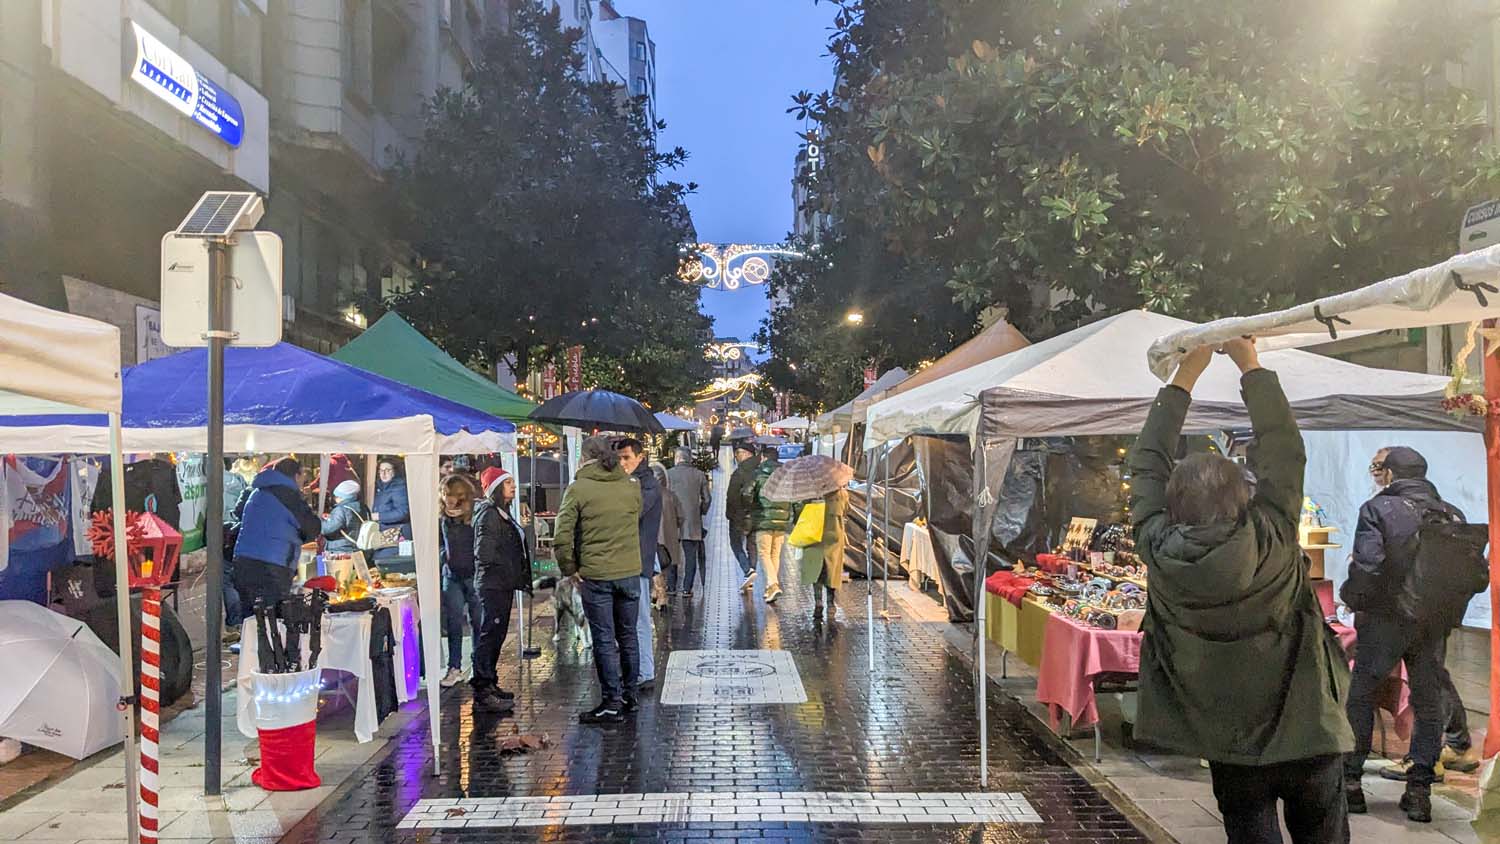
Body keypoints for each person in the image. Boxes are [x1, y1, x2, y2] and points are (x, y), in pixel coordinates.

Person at [1128, 339, 1354, 844]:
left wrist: (1182, 379)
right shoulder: (1272, 531)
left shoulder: (1159, 548)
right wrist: (1250, 365)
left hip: (1228, 738)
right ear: (1244, 495)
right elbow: (1284, 449)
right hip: (1309, 726)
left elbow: (1145, 465)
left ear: (1172, 504)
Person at [1341, 447, 1470, 823]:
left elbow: (1369, 565)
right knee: (1428, 703)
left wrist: (1353, 599)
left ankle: (1350, 784)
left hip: (1385, 619)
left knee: (1361, 695)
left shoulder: (1378, 509)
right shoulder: (1451, 513)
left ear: (1393, 475)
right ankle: (1419, 792)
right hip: (1432, 622)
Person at [555, 436, 643, 724]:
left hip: (596, 574)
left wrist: (570, 568)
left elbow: (562, 535)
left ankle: (611, 701)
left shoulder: (578, 488)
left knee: (604, 638)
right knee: (628, 635)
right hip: (629, 571)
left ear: (585, 458)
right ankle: (630, 695)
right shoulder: (631, 487)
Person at [471, 467, 529, 713]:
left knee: (497, 634)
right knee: (490, 635)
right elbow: (483, 552)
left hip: (501, 583)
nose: (514, 487)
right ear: (495, 489)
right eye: (508, 483)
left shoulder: (500, 513)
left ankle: (490, 681)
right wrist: (505, 564)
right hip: (493, 584)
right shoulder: (489, 515)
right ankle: (483, 688)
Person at [233, 458, 322, 610]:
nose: (303, 484)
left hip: (243, 562)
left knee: (251, 621)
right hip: (271, 568)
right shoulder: (288, 495)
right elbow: (312, 527)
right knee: (272, 621)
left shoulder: (257, 491)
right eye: (303, 479)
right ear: (296, 475)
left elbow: (241, 514)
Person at [615, 438, 661, 688]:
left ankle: (645, 671)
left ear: (640, 457)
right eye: (619, 458)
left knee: (640, 618)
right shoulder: (634, 482)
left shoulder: (647, 485)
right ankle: (636, 670)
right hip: (629, 559)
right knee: (628, 620)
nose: (622, 463)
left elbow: (633, 512)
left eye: (626, 458)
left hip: (638, 560)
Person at [438, 474, 481, 689]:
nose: (447, 499)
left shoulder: (475, 515)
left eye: (450, 495)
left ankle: (478, 665)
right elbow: (438, 542)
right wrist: (443, 556)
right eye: (444, 494)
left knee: (477, 620)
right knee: (453, 621)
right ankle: (453, 666)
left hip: (473, 573)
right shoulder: (442, 517)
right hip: (451, 574)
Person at [744, 445, 794, 604]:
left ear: (764, 458)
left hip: (763, 519)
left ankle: (773, 584)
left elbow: (746, 494)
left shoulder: (758, 474)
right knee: (775, 554)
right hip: (781, 521)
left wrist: (751, 506)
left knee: (764, 553)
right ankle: (769, 588)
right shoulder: (785, 475)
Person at [799, 486, 848, 624]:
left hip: (814, 535)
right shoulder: (842, 493)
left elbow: (800, 512)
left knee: (816, 568)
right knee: (832, 570)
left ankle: (818, 602)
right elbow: (846, 511)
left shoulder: (809, 492)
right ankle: (831, 604)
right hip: (834, 536)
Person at [666, 448, 711, 596]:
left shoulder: (668, 474)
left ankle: (671, 587)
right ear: (689, 459)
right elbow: (707, 499)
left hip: (671, 521)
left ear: (677, 458)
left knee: (672, 555)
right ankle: (687, 588)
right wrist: (701, 511)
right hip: (692, 522)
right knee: (691, 556)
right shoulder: (699, 475)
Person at [726, 443, 761, 589]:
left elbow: (732, 496)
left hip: (739, 516)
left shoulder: (739, 473)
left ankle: (748, 569)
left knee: (736, 543)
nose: (736, 456)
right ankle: (751, 571)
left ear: (747, 454)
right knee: (752, 545)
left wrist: (730, 514)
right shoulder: (760, 470)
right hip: (756, 514)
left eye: (738, 452)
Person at [651, 462, 684, 611]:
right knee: (665, 566)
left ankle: (660, 594)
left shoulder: (646, 495)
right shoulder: (671, 496)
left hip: (652, 538)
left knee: (655, 566)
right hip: (669, 538)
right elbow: (681, 516)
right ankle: (660, 594)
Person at [372, 457, 412, 559]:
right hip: (383, 535)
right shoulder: (380, 488)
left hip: (396, 536)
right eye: (381, 470)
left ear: (395, 472)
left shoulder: (399, 487)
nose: (383, 474)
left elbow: (403, 512)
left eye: (387, 470)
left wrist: (379, 516)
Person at [319, 480, 366, 554]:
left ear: (342, 497)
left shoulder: (341, 509)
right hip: (359, 549)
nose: (335, 499)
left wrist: (318, 522)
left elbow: (327, 529)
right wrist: (331, 518)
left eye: (336, 497)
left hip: (341, 550)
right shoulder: (363, 507)